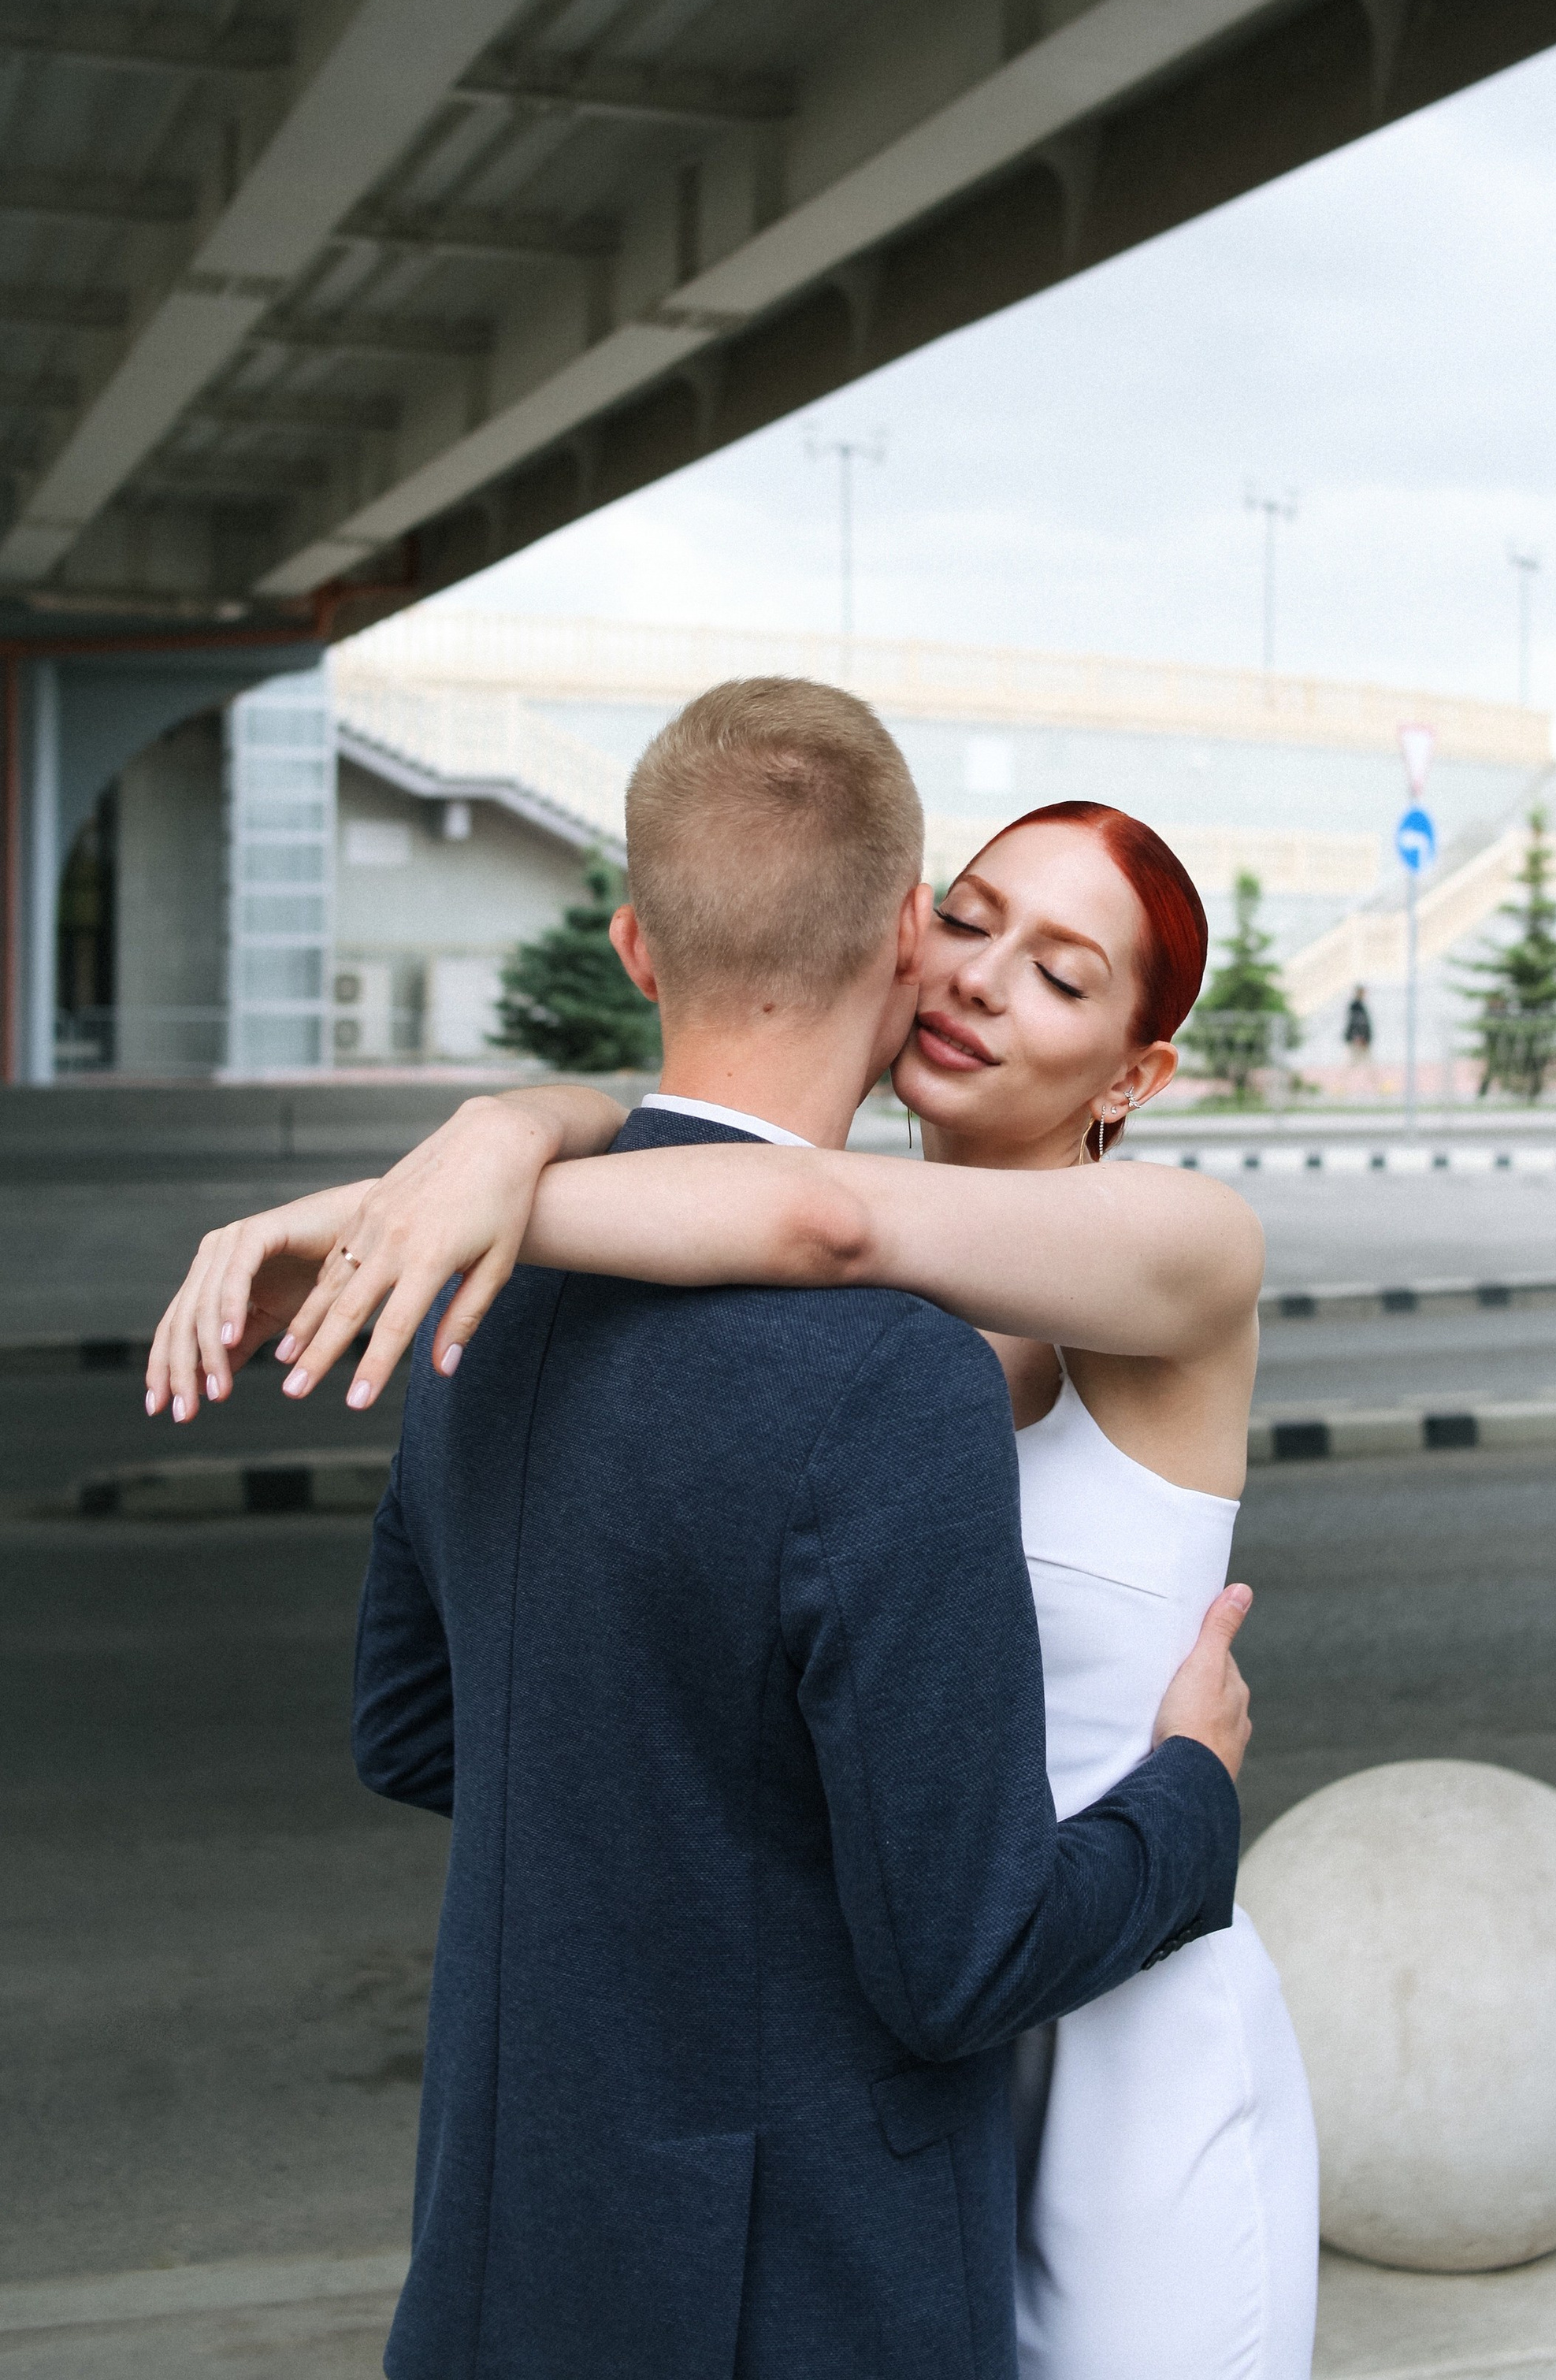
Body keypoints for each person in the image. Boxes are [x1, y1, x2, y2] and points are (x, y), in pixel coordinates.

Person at [151, 726, 1321, 2380]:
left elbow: (813, 1217)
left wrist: (410, 1214)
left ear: (1135, 1074)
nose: (981, 980)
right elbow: (766, 1198)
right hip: (921, 2047)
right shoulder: (843, 1299)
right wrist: (508, 1129)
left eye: (1061, 975)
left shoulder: (1178, 1244)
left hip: (1117, 2040)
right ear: (905, 930)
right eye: (969, 920)